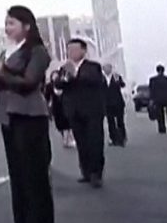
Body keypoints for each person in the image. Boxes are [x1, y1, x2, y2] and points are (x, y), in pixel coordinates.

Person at [0, 5, 55, 223]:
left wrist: (1, 73)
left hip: (30, 114)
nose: (7, 28)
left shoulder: (37, 51)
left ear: (27, 26)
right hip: (8, 115)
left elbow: (28, 83)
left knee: (34, 174)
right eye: (6, 23)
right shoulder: (7, 52)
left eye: (12, 23)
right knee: (17, 172)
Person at [55, 39, 108, 188]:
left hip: (92, 111)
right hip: (73, 111)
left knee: (95, 142)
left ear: (83, 51)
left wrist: (73, 76)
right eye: (69, 49)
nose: (70, 52)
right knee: (81, 143)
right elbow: (58, 84)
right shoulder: (64, 68)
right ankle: (85, 172)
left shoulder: (93, 67)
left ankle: (96, 174)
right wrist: (64, 78)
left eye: (74, 49)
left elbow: (93, 80)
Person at [46, 71, 75, 148]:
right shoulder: (50, 86)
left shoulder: (63, 85)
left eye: (56, 76)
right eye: (53, 76)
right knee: (60, 125)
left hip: (65, 106)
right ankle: (66, 139)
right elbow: (47, 96)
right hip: (56, 107)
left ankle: (67, 140)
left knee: (68, 124)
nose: (55, 77)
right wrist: (48, 105)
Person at [149, 65, 167, 134]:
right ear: (163, 70)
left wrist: (152, 100)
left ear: (157, 70)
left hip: (158, 100)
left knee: (160, 115)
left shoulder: (153, 80)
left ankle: (162, 129)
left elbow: (152, 90)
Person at [103, 64, 127, 147]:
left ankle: (122, 138)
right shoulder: (101, 78)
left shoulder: (116, 76)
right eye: (105, 68)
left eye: (108, 68)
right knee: (111, 122)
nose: (107, 70)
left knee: (120, 121)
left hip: (118, 103)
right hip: (107, 104)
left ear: (111, 69)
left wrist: (118, 81)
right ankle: (113, 139)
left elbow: (123, 85)